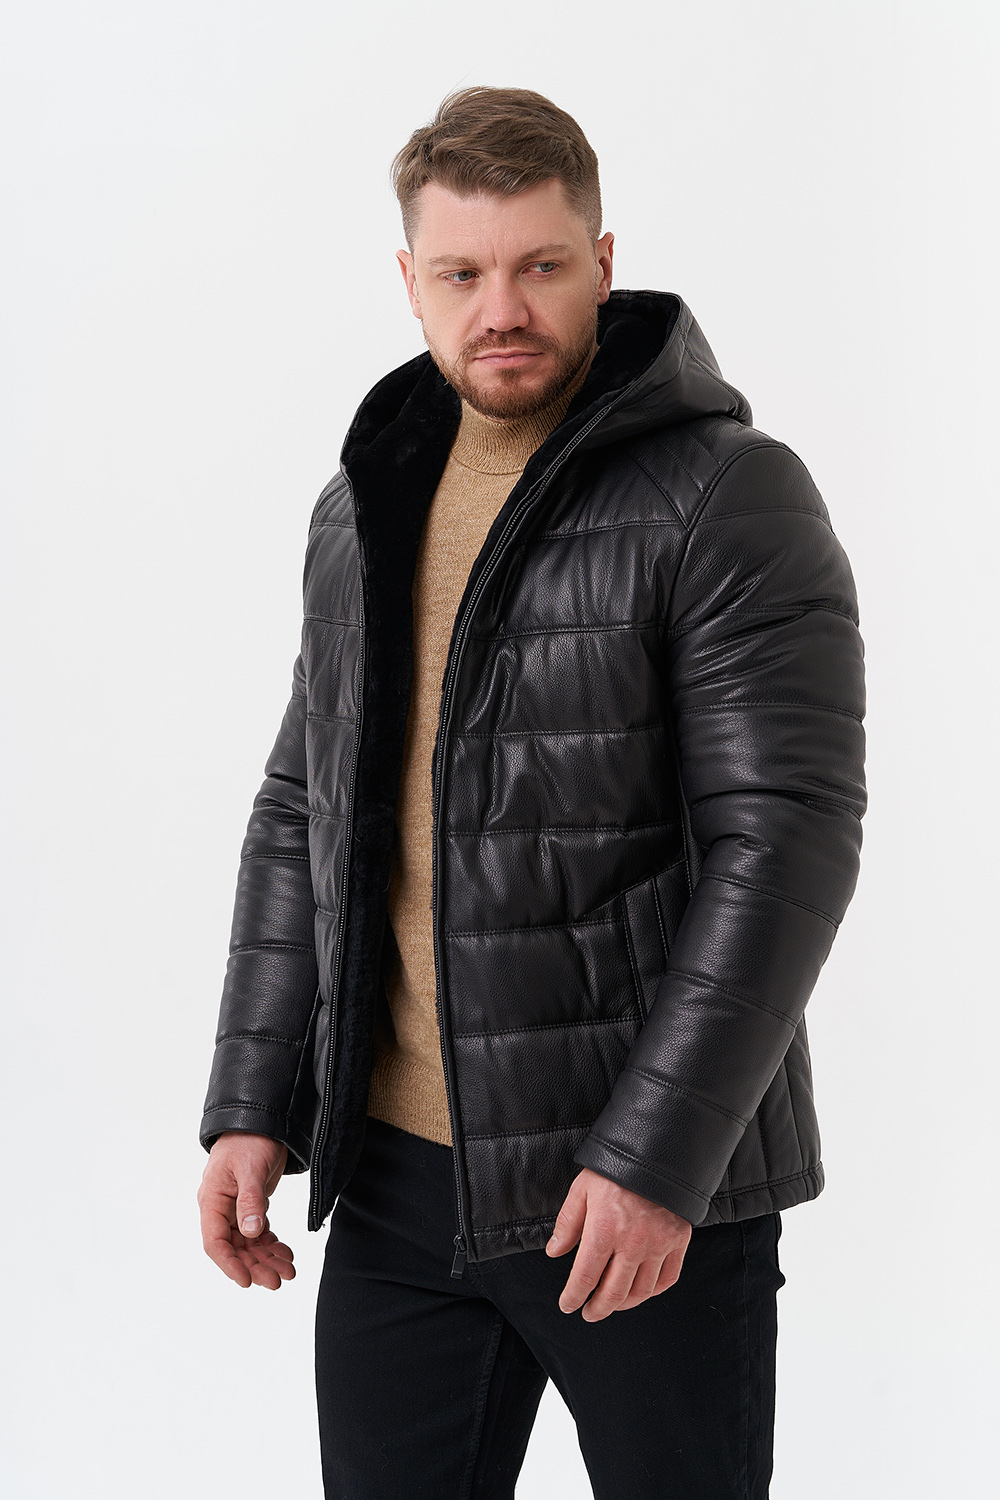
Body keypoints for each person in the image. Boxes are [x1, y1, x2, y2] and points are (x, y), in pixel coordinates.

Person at [197, 86, 867, 1499]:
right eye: (462, 273)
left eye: (540, 266)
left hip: (631, 1191)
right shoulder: (364, 502)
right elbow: (302, 807)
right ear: (411, 282)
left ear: (602, 263)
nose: (501, 309)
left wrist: (656, 1159)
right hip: (393, 1186)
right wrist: (255, 1098)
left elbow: (784, 844)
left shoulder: (726, 495)